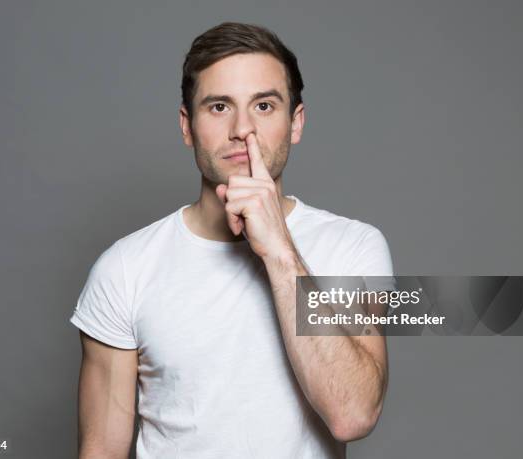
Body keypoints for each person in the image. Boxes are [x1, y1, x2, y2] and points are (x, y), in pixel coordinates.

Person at [69, 22, 394, 459]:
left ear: (295, 123)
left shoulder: (354, 248)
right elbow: (101, 451)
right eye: (219, 106)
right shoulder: (124, 268)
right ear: (187, 126)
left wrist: (279, 250)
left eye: (263, 105)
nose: (243, 129)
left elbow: (354, 415)